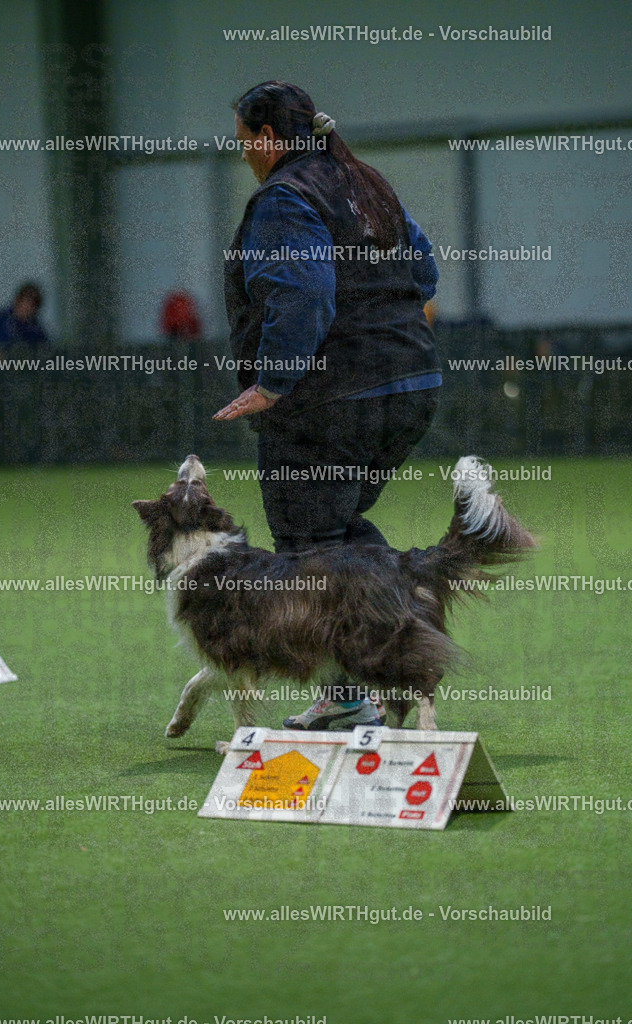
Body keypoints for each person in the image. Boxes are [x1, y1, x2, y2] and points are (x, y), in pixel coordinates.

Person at [213, 81, 441, 730]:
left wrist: (274, 382)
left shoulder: (284, 197)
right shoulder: (365, 183)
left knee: (309, 548)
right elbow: (423, 272)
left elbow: (304, 291)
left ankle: (358, 691)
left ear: (266, 139)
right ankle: (408, 631)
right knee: (338, 534)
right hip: (410, 388)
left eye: (242, 142)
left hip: (331, 399)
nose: (242, 155)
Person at [0, 283, 49, 351]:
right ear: (17, 301)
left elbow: (45, 351)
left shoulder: (36, 331)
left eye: (32, 305)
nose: (27, 307)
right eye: (25, 301)